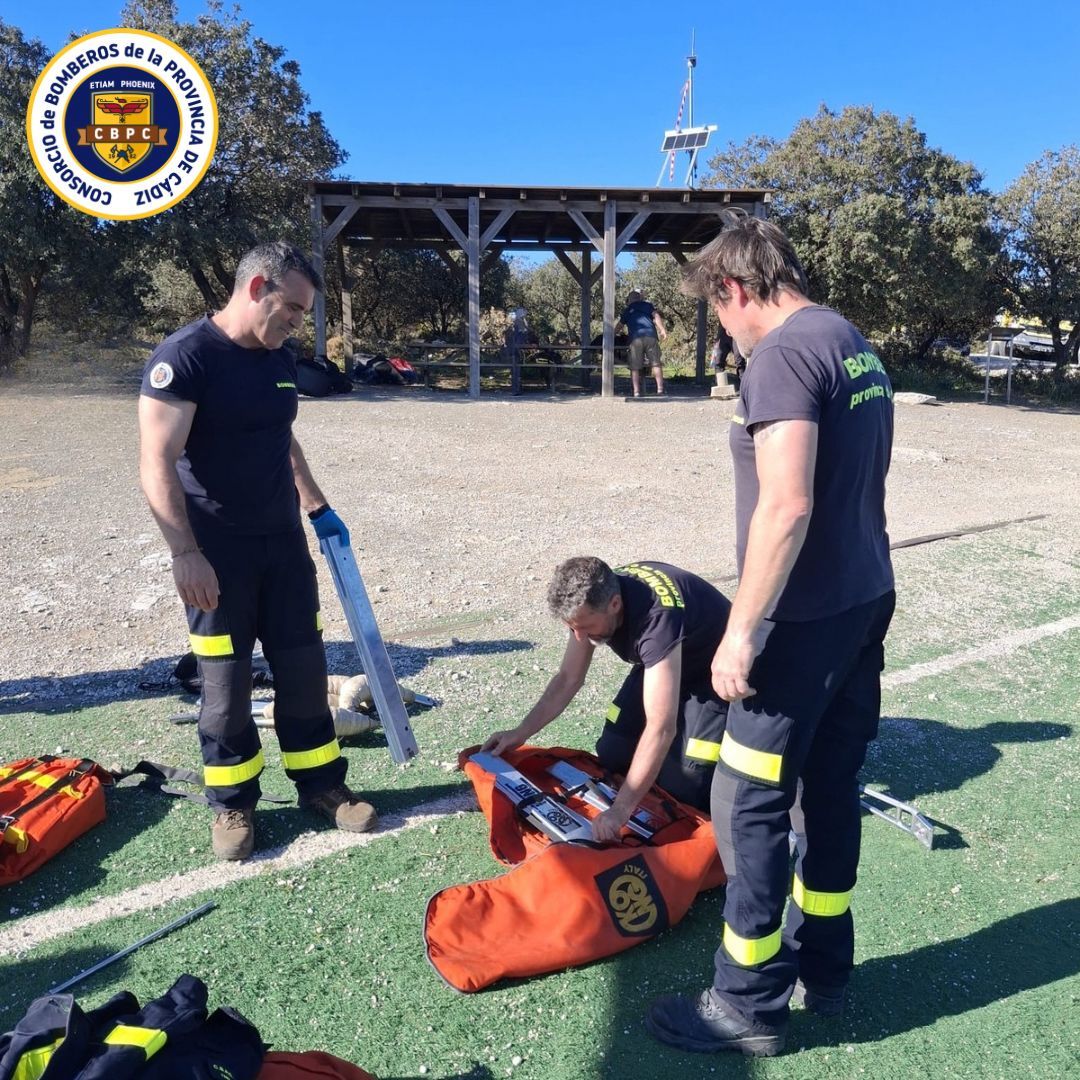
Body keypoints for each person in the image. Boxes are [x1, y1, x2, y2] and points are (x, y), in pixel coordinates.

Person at [644, 218, 895, 1057]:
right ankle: (826, 971)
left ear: (737, 290)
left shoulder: (783, 354)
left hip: (801, 622)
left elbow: (786, 505)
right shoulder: (848, 338)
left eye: (718, 314)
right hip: (864, 597)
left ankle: (746, 1004)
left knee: (746, 801)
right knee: (827, 787)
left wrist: (741, 632)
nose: (724, 331)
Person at [138, 241, 378, 862]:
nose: (298, 323)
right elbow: (155, 460)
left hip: (283, 547)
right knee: (226, 687)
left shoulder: (279, 357)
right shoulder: (186, 358)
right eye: (293, 309)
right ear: (256, 288)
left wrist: (318, 507)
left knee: (303, 672)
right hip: (217, 554)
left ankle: (323, 786)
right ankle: (233, 802)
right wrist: (183, 552)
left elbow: (282, 435)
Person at [480, 557, 731, 839]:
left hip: (716, 672)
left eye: (586, 628)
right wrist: (521, 732)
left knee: (684, 784)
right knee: (613, 752)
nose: (579, 636)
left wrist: (620, 810)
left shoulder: (656, 620)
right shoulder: (595, 597)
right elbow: (568, 678)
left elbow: (661, 728)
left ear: (614, 604)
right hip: (665, 663)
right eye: (573, 628)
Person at [617, 290, 668, 398]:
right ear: (640, 298)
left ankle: (636, 392)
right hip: (651, 336)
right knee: (656, 364)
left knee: (635, 367)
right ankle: (660, 390)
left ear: (629, 300)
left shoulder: (628, 310)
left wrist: (609, 335)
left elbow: (619, 325)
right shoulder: (648, 306)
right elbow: (656, 316)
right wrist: (662, 329)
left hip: (635, 339)